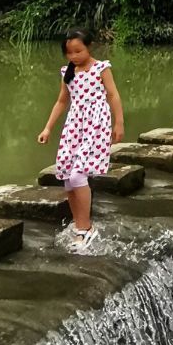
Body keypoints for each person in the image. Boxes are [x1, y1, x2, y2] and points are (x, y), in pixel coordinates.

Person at [38, 29, 124, 253]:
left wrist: (119, 123)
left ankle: (86, 228)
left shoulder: (101, 69)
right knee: (66, 175)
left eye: (78, 51)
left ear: (89, 47)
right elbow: (61, 101)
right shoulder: (68, 72)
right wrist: (48, 128)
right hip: (74, 126)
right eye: (69, 53)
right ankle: (79, 224)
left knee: (78, 175)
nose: (74, 56)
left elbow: (113, 95)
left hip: (96, 125)